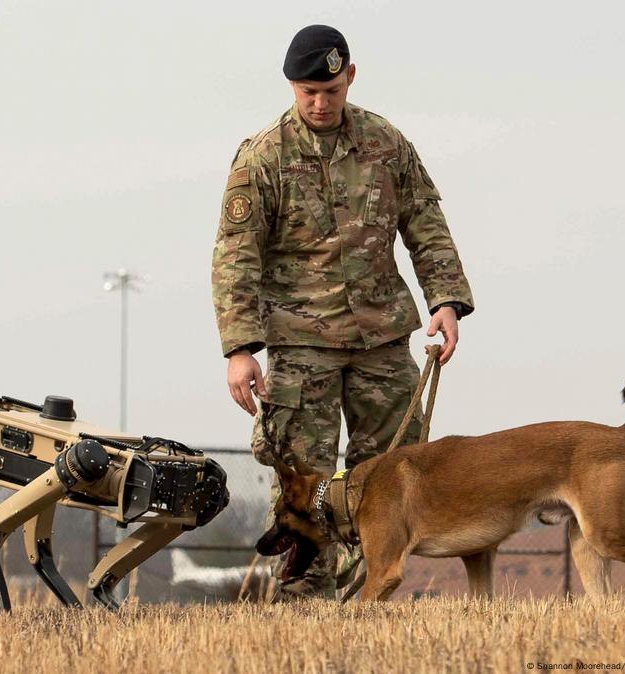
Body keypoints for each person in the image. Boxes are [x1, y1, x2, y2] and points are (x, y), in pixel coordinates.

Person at [210, 24, 475, 600]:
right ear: (290, 86)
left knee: (394, 473)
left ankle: (370, 589)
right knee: (303, 479)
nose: (319, 102)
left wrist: (446, 302)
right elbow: (236, 258)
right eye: (307, 91)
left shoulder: (386, 143)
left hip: (382, 337)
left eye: (330, 89)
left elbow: (426, 224)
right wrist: (239, 349)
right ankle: (305, 597)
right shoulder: (262, 158)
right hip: (300, 343)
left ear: (349, 76)